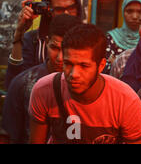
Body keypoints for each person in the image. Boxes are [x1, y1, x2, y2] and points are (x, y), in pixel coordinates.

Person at [28, 24, 141, 144]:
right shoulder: (45, 90)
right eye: (68, 63)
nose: (74, 74)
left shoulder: (126, 101)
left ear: (101, 66)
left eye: (84, 66)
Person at [1, 14, 82, 143]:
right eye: (54, 48)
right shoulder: (24, 83)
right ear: (47, 42)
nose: (60, 58)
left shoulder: (87, 86)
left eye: (66, 49)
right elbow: (7, 135)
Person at [6, 0, 84, 89]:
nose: (66, 13)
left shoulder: (88, 40)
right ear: (48, 10)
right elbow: (15, 84)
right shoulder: (33, 40)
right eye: (59, 9)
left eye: (71, 8)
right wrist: (19, 32)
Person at [104, 0, 141, 74]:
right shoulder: (110, 38)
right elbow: (104, 70)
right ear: (122, 12)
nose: (134, 16)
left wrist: (117, 63)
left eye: (139, 11)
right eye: (129, 11)